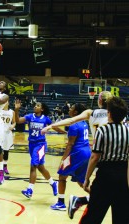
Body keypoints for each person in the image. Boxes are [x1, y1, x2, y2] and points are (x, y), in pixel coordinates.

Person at [41, 90, 113, 219]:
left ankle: (64, 202)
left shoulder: (90, 114)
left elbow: (70, 122)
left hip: (92, 155)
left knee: (62, 175)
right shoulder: (116, 114)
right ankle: (86, 200)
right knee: (98, 186)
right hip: (111, 155)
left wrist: (51, 126)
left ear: (99, 101)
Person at [80, 96, 128, 224]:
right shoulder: (128, 130)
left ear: (110, 113)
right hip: (122, 176)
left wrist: (86, 179)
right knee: (122, 217)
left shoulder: (102, 130)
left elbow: (95, 157)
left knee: (94, 215)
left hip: (105, 176)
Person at [15, 99, 66, 199]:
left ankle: (30, 190)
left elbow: (54, 127)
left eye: (37, 105)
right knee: (40, 167)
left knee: (33, 165)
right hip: (32, 144)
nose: (35, 106)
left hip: (41, 145)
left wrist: (65, 132)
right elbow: (17, 121)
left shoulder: (45, 119)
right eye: (35, 105)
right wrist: (16, 110)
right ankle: (53, 183)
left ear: (42, 109)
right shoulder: (30, 116)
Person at [50, 103, 91, 211]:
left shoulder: (74, 125)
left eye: (72, 108)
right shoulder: (84, 123)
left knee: (62, 176)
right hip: (87, 152)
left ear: (76, 112)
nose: (69, 109)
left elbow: (70, 144)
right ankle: (98, 197)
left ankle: (61, 203)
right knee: (81, 181)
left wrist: (63, 159)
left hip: (77, 152)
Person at [0, 101, 16, 175]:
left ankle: (5, 166)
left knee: (6, 151)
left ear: (8, 103)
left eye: (6, 102)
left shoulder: (12, 112)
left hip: (7, 133)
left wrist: (12, 126)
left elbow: (14, 122)